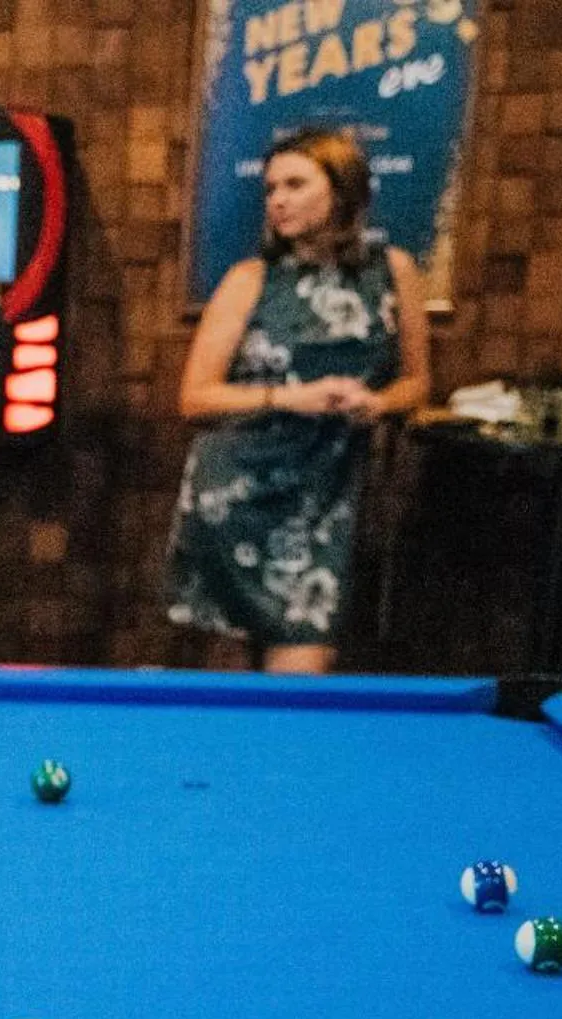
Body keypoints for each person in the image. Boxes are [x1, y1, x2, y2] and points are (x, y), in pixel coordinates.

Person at [166, 126, 430, 674]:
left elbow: (417, 383)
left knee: (303, 674)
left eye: (294, 184)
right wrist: (296, 397)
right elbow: (195, 397)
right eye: (270, 189)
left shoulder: (394, 271)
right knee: (228, 697)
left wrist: (377, 405)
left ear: (342, 191)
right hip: (237, 492)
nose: (277, 200)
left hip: (325, 492)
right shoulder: (250, 279)